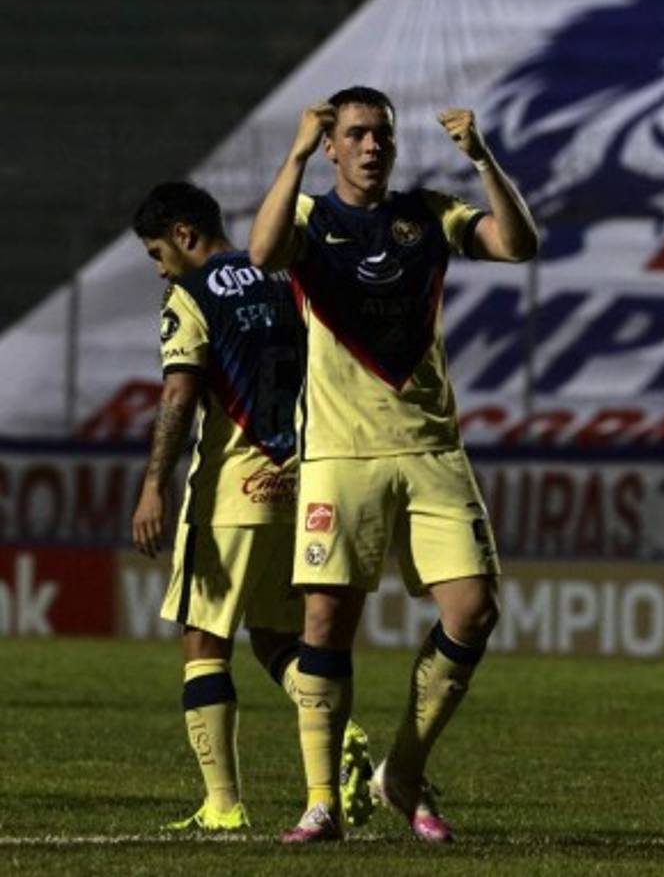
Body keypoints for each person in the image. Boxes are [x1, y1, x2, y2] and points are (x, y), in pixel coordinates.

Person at [248, 86, 538, 843]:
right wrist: (294, 155)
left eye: (381, 133)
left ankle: (401, 772)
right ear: (332, 146)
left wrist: (484, 161)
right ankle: (320, 801)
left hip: (431, 448)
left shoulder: (429, 214)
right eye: (355, 134)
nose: (372, 145)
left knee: (474, 609)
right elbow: (263, 253)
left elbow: (518, 245)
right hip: (340, 452)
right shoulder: (308, 217)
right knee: (325, 620)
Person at [131, 181, 373, 833]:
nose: (159, 268)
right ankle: (342, 729)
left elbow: (179, 395)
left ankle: (223, 805)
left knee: (203, 640)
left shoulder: (191, 294)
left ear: (184, 235)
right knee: (275, 637)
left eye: (157, 252)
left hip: (231, 492)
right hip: (301, 486)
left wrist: (153, 484)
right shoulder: (286, 276)